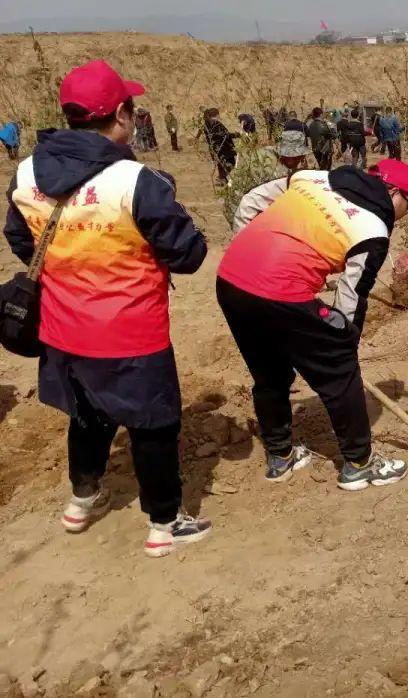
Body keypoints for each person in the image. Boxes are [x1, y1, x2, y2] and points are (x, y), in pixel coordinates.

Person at [2, 59, 210, 557]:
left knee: (88, 415)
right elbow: (191, 255)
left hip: (62, 328)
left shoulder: (26, 171)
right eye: (131, 109)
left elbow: (17, 236)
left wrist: (68, 267)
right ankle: (164, 524)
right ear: (121, 113)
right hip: (130, 333)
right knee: (153, 425)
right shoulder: (136, 181)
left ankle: (81, 501)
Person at [217, 159, 408, 489]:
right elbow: (352, 297)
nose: (406, 213)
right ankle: (360, 464)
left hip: (231, 279)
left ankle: (280, 456)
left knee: (269, 372)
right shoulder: (374, 228)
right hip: (280, 291)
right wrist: (345, 344)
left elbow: (250, 202)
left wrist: (253, 252)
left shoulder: (314, 178)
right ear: (394, 192)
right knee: (340, 371)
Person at [224, 129, 311, 229]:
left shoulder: (267, 152)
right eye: (297, 156)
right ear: (287, 154)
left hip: (239, 205)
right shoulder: (274, 170)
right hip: (242, 212)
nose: (300, 159)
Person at [203, 108, 237, 181]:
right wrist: (236, 135)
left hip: (214, 148)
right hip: (223, 148)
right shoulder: (216, 124)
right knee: (230, 163)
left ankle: (222, 179)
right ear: (217, 114)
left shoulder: (206, 124)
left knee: (221, 164)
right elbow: (224, 135)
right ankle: (222, 177)